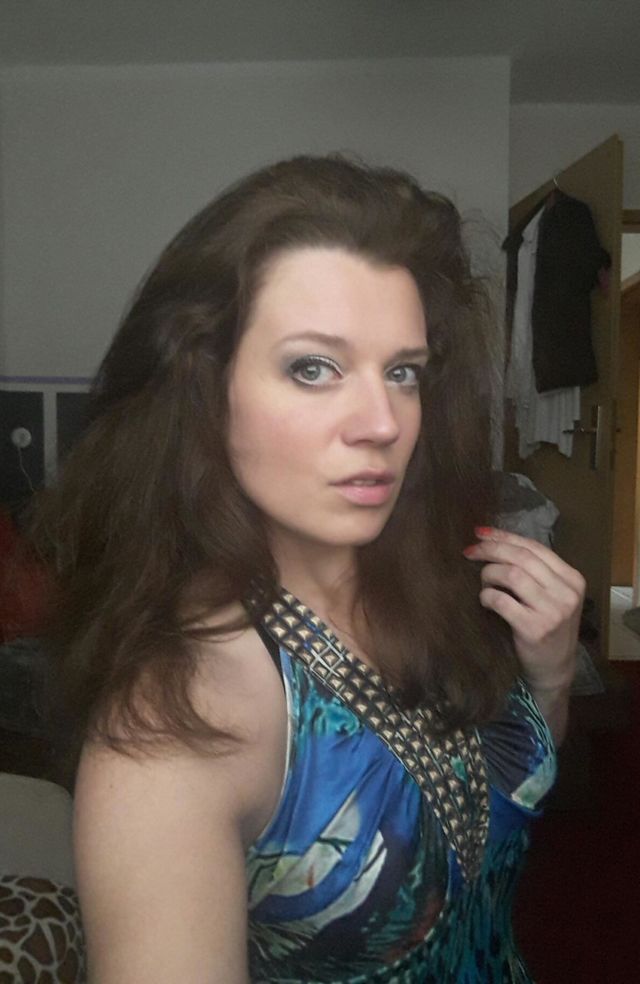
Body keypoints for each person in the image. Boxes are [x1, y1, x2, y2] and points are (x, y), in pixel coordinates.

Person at [32, 155, 585, 983]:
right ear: (205, 390)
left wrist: (549, 679)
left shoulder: (435, 577)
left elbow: (495, 805)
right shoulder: (175, 728)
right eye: (313, 368)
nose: (383, 423)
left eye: (402, 372)